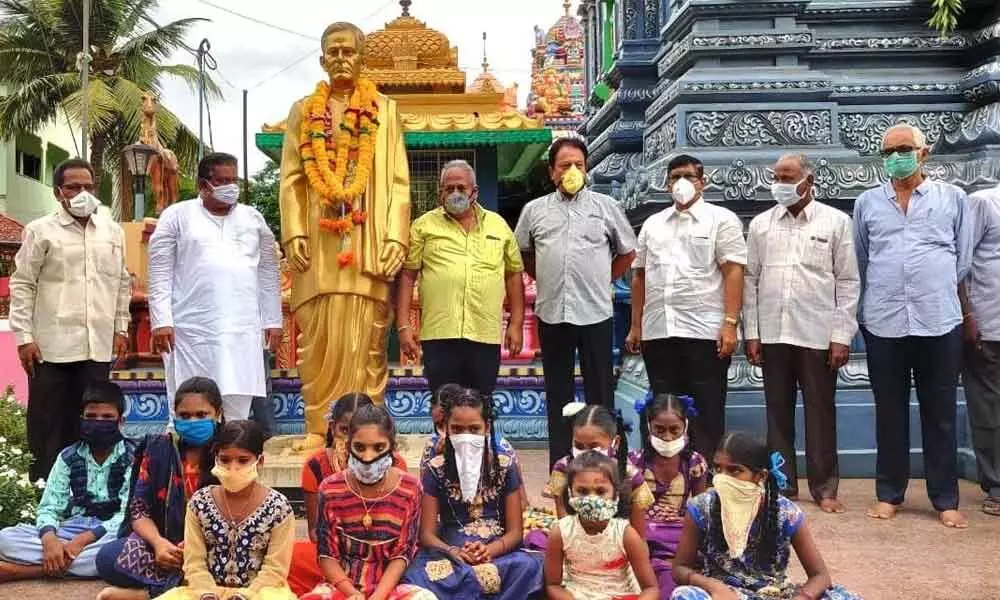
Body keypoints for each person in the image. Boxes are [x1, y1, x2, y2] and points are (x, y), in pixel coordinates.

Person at [278, 21, 411, 451]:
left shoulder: (384, 110)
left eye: (347, 52)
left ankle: (367, 432)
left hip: (367, 238)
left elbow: (396, 180)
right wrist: (293, 231)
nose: (340, 59)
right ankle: (319, 428)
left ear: (361, 58)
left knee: (367, 338)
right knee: (316, 335)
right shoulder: (303, 111)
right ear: (321, 60)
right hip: (318, 242)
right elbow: (293, 179)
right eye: (332, 52)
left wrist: (395, 237)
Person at [854, 123, 972, 528]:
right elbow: (862, 259)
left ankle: (944, 498)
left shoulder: (953, 198)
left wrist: (934, 286)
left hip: (938, 318)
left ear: (924, 153)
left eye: (904, 149)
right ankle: (890, 493)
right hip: (884, 320)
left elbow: (963, 260)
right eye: (888, 151)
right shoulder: (867, 203)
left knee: (940, 412)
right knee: (889, 410)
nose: (896, 157)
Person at [743, 154, 860, 513]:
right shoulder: (762, 225)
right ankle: (783, 485)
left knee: (820, 411)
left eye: (787, 176)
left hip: (818, 333)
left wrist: (842, 335)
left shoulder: (836, 222)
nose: (780, 183)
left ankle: (825, 489)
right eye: (776, 176)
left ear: (808, 180)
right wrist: (753, 332)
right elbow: (750, 280)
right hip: (774, 332)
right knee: (777, 412)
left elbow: (848, 280)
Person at [514, 136, 637, 466]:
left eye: (579, 166)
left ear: (587, 170)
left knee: (600, 392)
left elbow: (627, 252)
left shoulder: (605, 207)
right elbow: (522, 253)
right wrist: (546, 277)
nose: (572, 171)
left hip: (595, 311)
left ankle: (606, 464)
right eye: (565, 165)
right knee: (558, 394)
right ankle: (561, 464)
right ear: (552, 172)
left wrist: (602, 278)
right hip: (553, 313)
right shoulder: (534, 211)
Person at [8, 158, 131, 480]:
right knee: (49, 423)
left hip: (97, 346)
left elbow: (121, 282)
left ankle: (89, 490)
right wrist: (24, 338)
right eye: (74, 187)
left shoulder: (112, 231)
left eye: (88, 186)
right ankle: (42, 490)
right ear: (58, 192)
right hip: (51, 347)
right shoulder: (40, 231)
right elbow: (23, 284)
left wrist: (120, 327)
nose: (82, 193)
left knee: (94, 422)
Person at [625, 154, 746, 462]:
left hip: (704, 331)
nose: (681, 183)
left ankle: (704, 474)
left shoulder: (722, 220)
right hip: (659, 329)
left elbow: (733, 271)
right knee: (663, 408)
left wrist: (730, 323)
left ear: (702, 182)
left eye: (688, 176)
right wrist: (636, 326)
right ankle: (664, 475)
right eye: (674, 177)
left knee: (706, 406)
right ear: (666, 185)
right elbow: (639, 276)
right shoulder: (653, 224)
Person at [148, 152, 283, 421]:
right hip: (192, 329)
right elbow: (159, 271)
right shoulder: (177, 216)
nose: (230, 186)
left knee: (237, 412)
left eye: (233, 179)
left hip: (242, 330)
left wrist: (273, 319)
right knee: (191, 406)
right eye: (222, 180)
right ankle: (189, 461)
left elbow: (268, 271)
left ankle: (232, 460)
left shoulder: (253, 218)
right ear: (203, 185)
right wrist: (161, 321)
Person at [670, 432, 861, 600]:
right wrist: (714, 587)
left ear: (760, 476)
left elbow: (820, 576)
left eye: (734, 470)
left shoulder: (787, 513)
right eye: (718, 469)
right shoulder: (701, 507)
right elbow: (680, 568)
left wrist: (802, 597)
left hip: (775, 593)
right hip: (725, 595)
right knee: (684, 596)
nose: (722, 478)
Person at [397, 159, 525, 396]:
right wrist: (404, 325)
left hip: (484, 333)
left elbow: (514, 275)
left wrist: (516, 323)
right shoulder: (423, 227)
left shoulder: (498, 226)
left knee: (482, 403)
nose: (455, 193)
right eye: (449, 188)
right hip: (439, 334)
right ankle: (445, 435)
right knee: (444, 404)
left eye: (461, 188)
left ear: (474, 192)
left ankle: (483, 435)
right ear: (440, 193)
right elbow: (407, 276)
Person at [401, 388, 543, 598]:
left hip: (499, 552)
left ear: (487, 428)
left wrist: (489, 551)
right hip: (451, 554)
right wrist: (454, 552)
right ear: (445, 430)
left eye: (474, 429)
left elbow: (515, 533)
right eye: (457, 429)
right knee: (417, 576)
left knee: (533, 567)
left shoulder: (505, 465)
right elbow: (427, 535)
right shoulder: (435, 468)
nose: (465, 436)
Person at [95, 376, 224, 600]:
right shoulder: (158, 448)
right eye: (185, 416)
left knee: (239, 562)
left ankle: (149, 594)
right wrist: (158, 544)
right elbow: (139, 510)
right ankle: (188, 588)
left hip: (214, 546)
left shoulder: (231, 452)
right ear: (174, 415)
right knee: (107, 557)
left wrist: (195, 547)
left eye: (202, 415)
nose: (193, 421)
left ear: (218, 414)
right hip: (166, 547)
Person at [0, 382, 133, 582]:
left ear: (120, 421)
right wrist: (49, 540)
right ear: (82, 420)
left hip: (109, 532)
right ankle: (60, 560)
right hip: (72, 528)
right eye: (91, 417)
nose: (98, 422)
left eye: (107, 418)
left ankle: (26, 571)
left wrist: (80, 542)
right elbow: (49, 507)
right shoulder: (68, 456)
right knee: (5, 539)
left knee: (121, 549)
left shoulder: (133, 457)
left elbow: (126, 514)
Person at [299, 404, 435, 600]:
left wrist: (378, 596)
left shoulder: (410, 488)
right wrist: (352, 593)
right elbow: (327, 555)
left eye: (378, 447)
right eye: (359, 447)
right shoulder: (330, 489)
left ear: (392, 447)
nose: (368, 457)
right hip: (342, 586)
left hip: (392, 587)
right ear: (348, 446)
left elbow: (402, 555)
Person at [158, 420, 296, 600]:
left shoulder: (279, 508)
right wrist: (207, 593)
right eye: (225, 460)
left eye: (243, 460)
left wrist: (245, 596)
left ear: (260, 461)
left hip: (259, 594)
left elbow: (275, 569)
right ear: (216, 459)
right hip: (205, 593)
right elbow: (194, 563)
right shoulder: (199, 503)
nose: (233, 467)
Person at [543, 451, 659, 600]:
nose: (592, 499)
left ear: (615, 495)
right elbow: (553, 585)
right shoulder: (561, 532)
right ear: (570, 493)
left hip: (620, 595)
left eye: (600, 491)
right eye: (582, 491)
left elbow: (651, 588)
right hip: (577, 594)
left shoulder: (625, 534)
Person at [629, 394, 708, 599]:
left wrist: (684, 523)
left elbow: (700, 511)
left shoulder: (695, 463)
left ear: (685, 426)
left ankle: (666, 565)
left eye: (674, 430)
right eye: (659, 429)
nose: (667, 437)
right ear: (648, 426)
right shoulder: (634, 462)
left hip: (678, 529)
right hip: (642, 527)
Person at [544, 405, 654, 537]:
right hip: (574, 541)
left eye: (594, 447)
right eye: (578, 446)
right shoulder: (562, 469)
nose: (585, 454)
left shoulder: (630, 476)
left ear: (616, 442)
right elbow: (564, 524)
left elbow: (639, 535)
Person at [964, 182, 1000, 516]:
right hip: (988, 323)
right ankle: (996, 486)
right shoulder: (983, 203)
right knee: (988, 410)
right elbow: (961, 264)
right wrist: (968, 314)